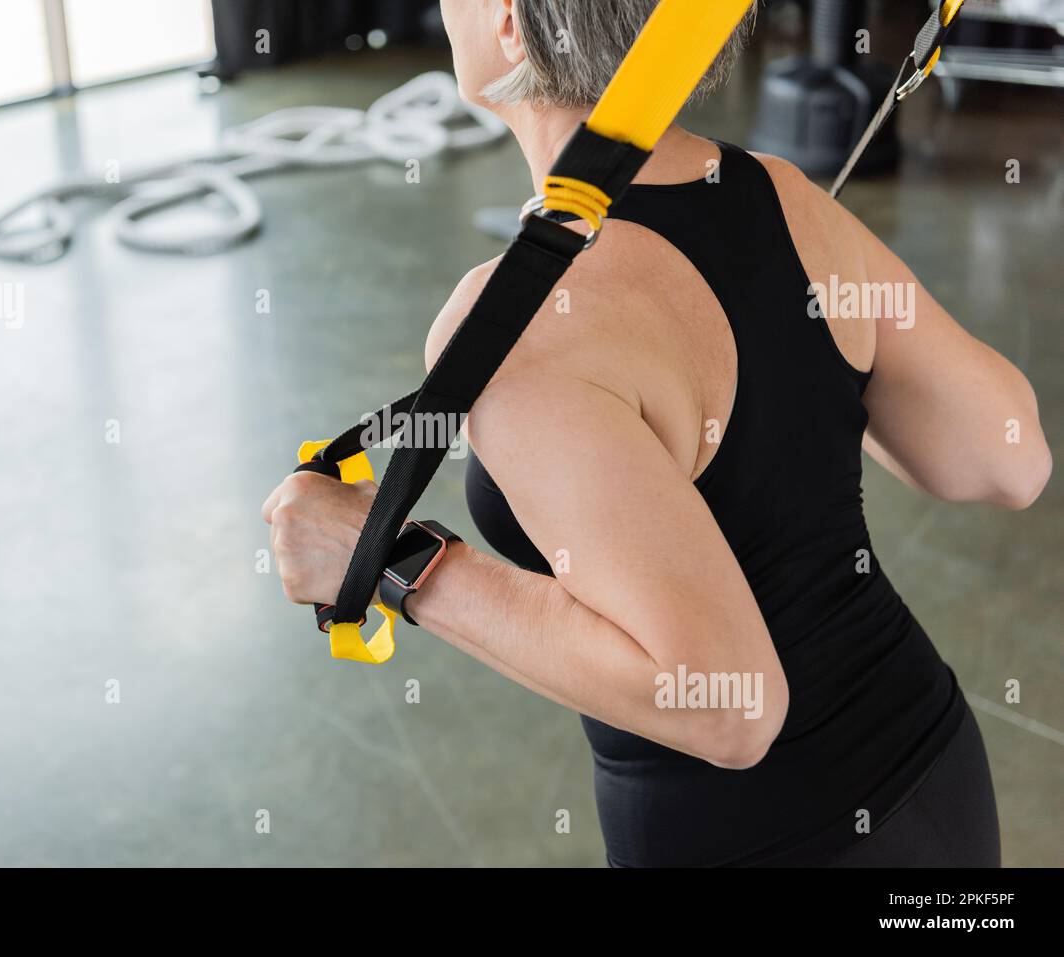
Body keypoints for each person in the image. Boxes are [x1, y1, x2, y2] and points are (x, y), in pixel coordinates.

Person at [262, 0, 1051, 866]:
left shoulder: (517, 322)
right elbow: (1010, 457)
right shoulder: (785, 197)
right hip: (938, 779)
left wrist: (388, 556)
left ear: (514, 24)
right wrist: (796, 350)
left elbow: (732, 705)